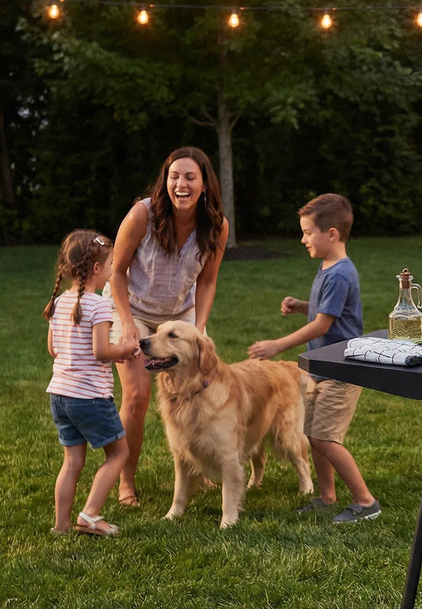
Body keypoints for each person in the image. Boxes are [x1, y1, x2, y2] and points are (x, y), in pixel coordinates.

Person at [247, 193, 380, 523]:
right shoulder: (328, 268)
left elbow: (324, 323)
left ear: (331, 234)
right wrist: (302, 306)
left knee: (325, 436)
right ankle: (326, 495)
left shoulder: (339, 273)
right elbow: (326, 311)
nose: (303, 238)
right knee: (312, 434)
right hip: (320, 368)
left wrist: (277, 345)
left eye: (308, 232)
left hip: (341, 369)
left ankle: (366, 502)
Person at [108, 146, 229, 507]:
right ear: (166, 181)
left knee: (203, 388)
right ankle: (125, 481)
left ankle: (198, 468)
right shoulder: (142, 215)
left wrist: (200, 326)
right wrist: (128, 323)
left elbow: (207, 282)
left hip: (181, 315)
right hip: (134, 308)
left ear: (204, 184)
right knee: (137, 397)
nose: (181, 184)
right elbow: (116, 271)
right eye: (174, 176)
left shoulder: (217, 226)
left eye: (190, 177)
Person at [44, 230, 141, 536]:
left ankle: (61, 526)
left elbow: (52, 349)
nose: (114, 269)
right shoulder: (99, 306)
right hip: (90, 398)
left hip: (59, 394)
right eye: (111, 264)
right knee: (118, 453)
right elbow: (101, 352)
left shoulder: (59, 301)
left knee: (72, 462)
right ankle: (90, 515)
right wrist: (124, 351)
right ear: (97, 269)